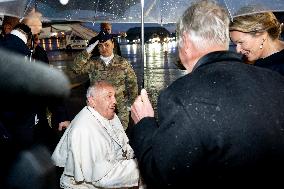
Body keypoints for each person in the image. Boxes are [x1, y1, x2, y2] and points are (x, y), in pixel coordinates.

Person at [129, 0, 284, 188]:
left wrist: (144, 123)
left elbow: (162, 176)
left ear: (185, 41)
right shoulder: (276, 80)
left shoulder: (180, 96)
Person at [52, 80, 142, 189]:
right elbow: (102, 178)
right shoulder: (84, 129)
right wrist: (141, 168)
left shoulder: (110, 116)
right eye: (109, 96)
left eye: (114, 96)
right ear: (92, 101)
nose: (115, 101)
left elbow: (122, 148)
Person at [72, 32, 138, 130]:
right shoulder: (93, 63)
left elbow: (133, 85)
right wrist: (89, 49)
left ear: (113, 44)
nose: (104, 48)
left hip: (119, 108)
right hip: (98, 109)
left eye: (107, 45)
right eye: (100, 46)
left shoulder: (123, 63)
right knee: (99, 137)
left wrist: (129, 105)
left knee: (119, 137)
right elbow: (75, 68)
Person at [229, 11, 284, 75]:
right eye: (235, 44)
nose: (238, 50)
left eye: (241, 42)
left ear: (261, 34)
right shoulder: (249, 61)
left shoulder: (279, 69)